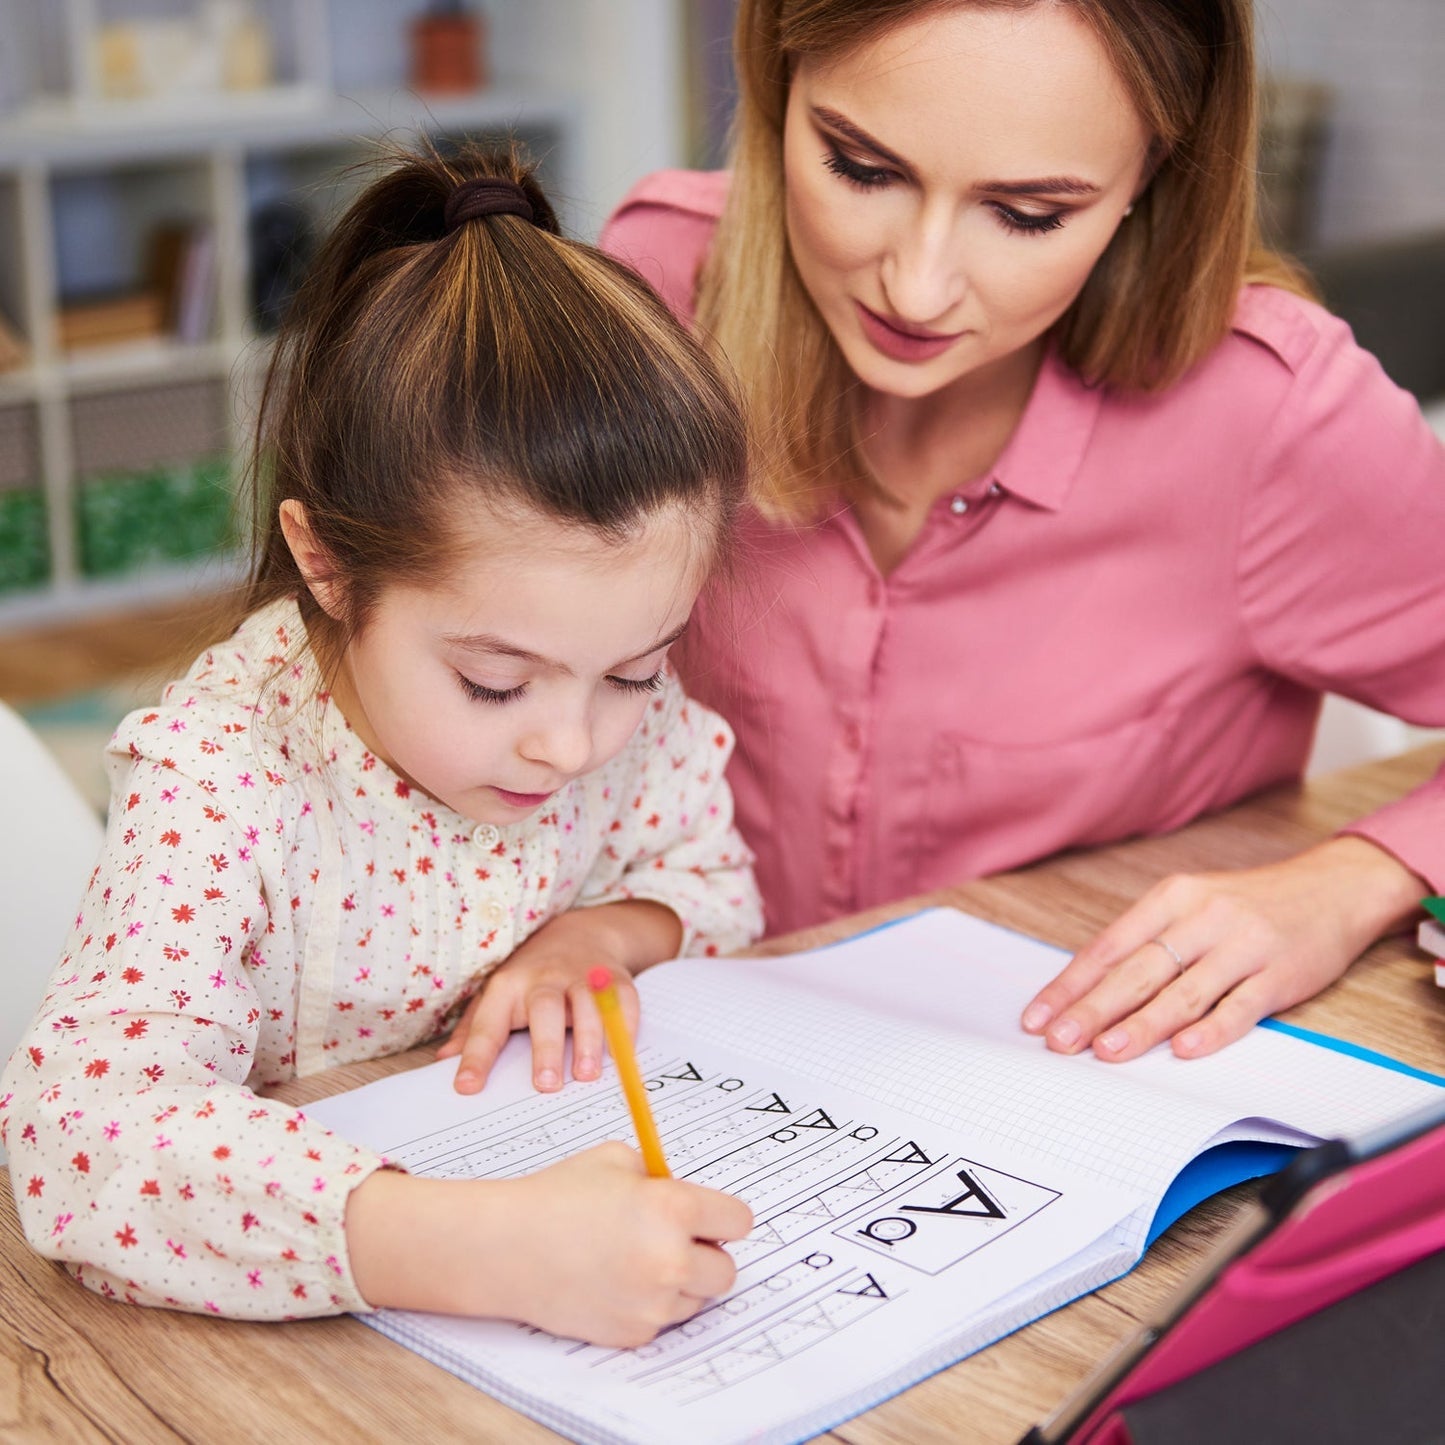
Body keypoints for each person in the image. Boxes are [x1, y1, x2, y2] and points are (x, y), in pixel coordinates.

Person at [0, 144, 760, 1345]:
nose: (570, 743)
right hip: (271, 1341)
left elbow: (712, 887)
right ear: (328, 566)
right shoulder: (224, 773)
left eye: (632, 669)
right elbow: (81, 1130)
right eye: (492, 680)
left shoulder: (615, 716)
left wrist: (603, 934)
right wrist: (486, 1247)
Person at [601, 0, 1445, 1065]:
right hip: (679, 1050)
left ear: (1152, 176)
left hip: (1066, 1087)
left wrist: (1345, 885)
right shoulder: (655, 292)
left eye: (1029, 213)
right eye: (859, 168)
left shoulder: (1270, 414)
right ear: (773, 85)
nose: (914, 283)